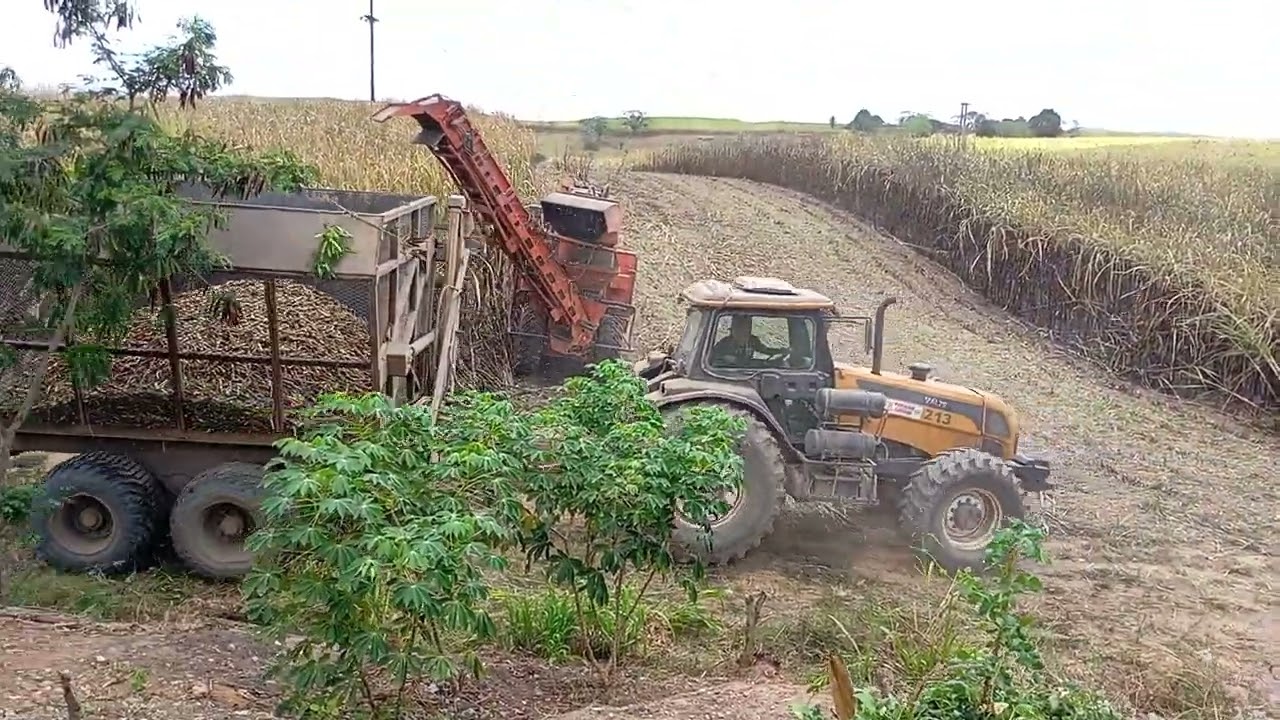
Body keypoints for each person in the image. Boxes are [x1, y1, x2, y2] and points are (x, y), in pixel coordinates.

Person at [710, 315, 787, 367]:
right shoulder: (724, 344)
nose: (744, 332)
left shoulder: (752, 340)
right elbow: (714, 360)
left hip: (748, 372)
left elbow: (765, 350)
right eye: (740, 328)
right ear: (732, 330)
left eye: (747, 328)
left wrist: (780, 351)